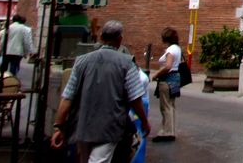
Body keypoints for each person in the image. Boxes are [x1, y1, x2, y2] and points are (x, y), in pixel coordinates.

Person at [51, 20, 150, 163]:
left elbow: (67, 97)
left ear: (102, 38)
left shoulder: (81, 61)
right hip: (110, 126)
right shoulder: (127, 63)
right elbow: (135, 98)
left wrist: (58, 126)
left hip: (82, 125)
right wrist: (144, 121)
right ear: (120, 39)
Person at [151, 27, 182, 142]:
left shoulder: (170, 50)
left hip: (167, 79)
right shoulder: (177, 48)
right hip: (175, 79)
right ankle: (171, 130)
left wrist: (156, 74)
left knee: (165, 106)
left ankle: (166, 132)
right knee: (171, 105)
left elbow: (168, 66)